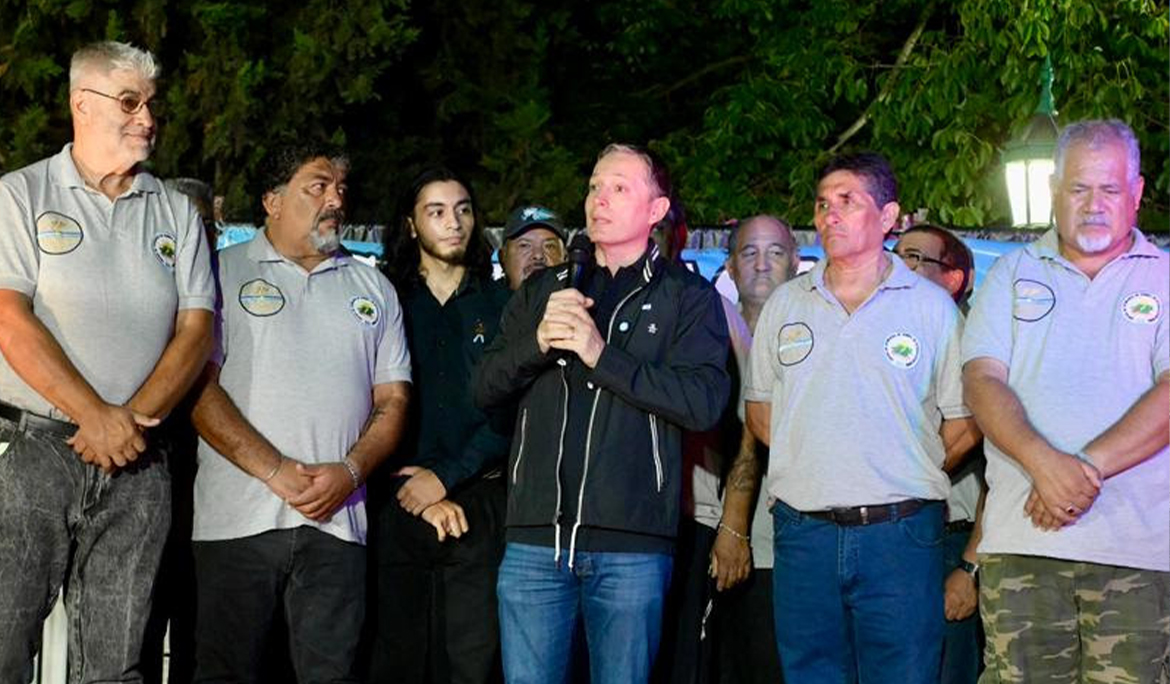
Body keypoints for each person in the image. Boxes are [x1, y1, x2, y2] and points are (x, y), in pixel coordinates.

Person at [475, 143, 731, 684]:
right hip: (534, 542)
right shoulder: (544, 291)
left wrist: (600, 355)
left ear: (656, 211)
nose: (600, 200)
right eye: (594, 186)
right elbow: (484, 387)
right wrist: (537, 342)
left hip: (630, 548)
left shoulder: (688, 297)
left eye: (620, 188)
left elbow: (703, 403)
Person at [0, 41, 215, 680]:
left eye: (151, 103)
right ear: (81, 105)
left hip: (140, 463)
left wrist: (127, 423)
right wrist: (92, 415)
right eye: (129, 101)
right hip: (33, 451)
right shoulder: (21, 194)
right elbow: (9, 321)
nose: (147, 117)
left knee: (116, 665)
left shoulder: (176, 210)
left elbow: (197, 331)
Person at [743, 152, 980, 684]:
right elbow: (760, 414)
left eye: (848, 201)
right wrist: (819, 460)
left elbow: (964, 421)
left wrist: (898, 463)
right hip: (804, 532)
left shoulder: (930, 307)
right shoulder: (785, 305)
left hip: (900, 534)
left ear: (889, 216)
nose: (831, 214)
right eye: (823, 203)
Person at [188, 144, 411, 682]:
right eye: (317, 186)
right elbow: (196, 390)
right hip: (235, 524)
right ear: (273, 201)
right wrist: (274, 469)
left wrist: (351, 472)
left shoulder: (373, 286)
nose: (335, 199)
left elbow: (394, 401)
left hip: (336, 527)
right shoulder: (220, 275)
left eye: (339, 189)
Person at [962, 119, 1169, 684]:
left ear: (1138, 192)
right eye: (1079, 188)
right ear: (1055, 189)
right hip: (1022, 546)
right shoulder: (1009, 275)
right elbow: (981, 381)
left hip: (1138, 553)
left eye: (1110, 189)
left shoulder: (1167, 278)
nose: (1094, 204)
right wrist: (1043, 464)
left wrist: (1076, 474)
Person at [367, 165, 512, 684]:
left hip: (480, 501)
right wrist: (420, 488)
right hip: (396, 497)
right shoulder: (384, 300)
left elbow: (511, 413)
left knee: (472, 665)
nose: (454, 223)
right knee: (396, 660)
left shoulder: (503, 306)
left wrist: (445, 479)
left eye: (463, 210)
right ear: (411, 224)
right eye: (437, 212)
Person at [706, 215, 798, 684]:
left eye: (776, 252)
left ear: (796, 262)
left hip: (783, 551)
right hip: (705, 540)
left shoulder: (813, 337)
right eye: (749, 252)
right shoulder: (704, 331)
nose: (762, 264)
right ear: (730, 266)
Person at [893, 224, 984, 684]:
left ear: (954, 279)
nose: (899, 267)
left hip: (949, 542)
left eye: (915, 258)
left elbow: (1002, 477)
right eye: (896, 255)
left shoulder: (981, 353)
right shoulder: (884, 343)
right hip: (885, 539)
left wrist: (969, 567)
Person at [499, 204, 567, 290]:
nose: (538, 255)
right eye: (524, 245)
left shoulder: (583, 299)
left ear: (565, 257)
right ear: (502, 257)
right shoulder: (482, 301)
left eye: (549, 246)